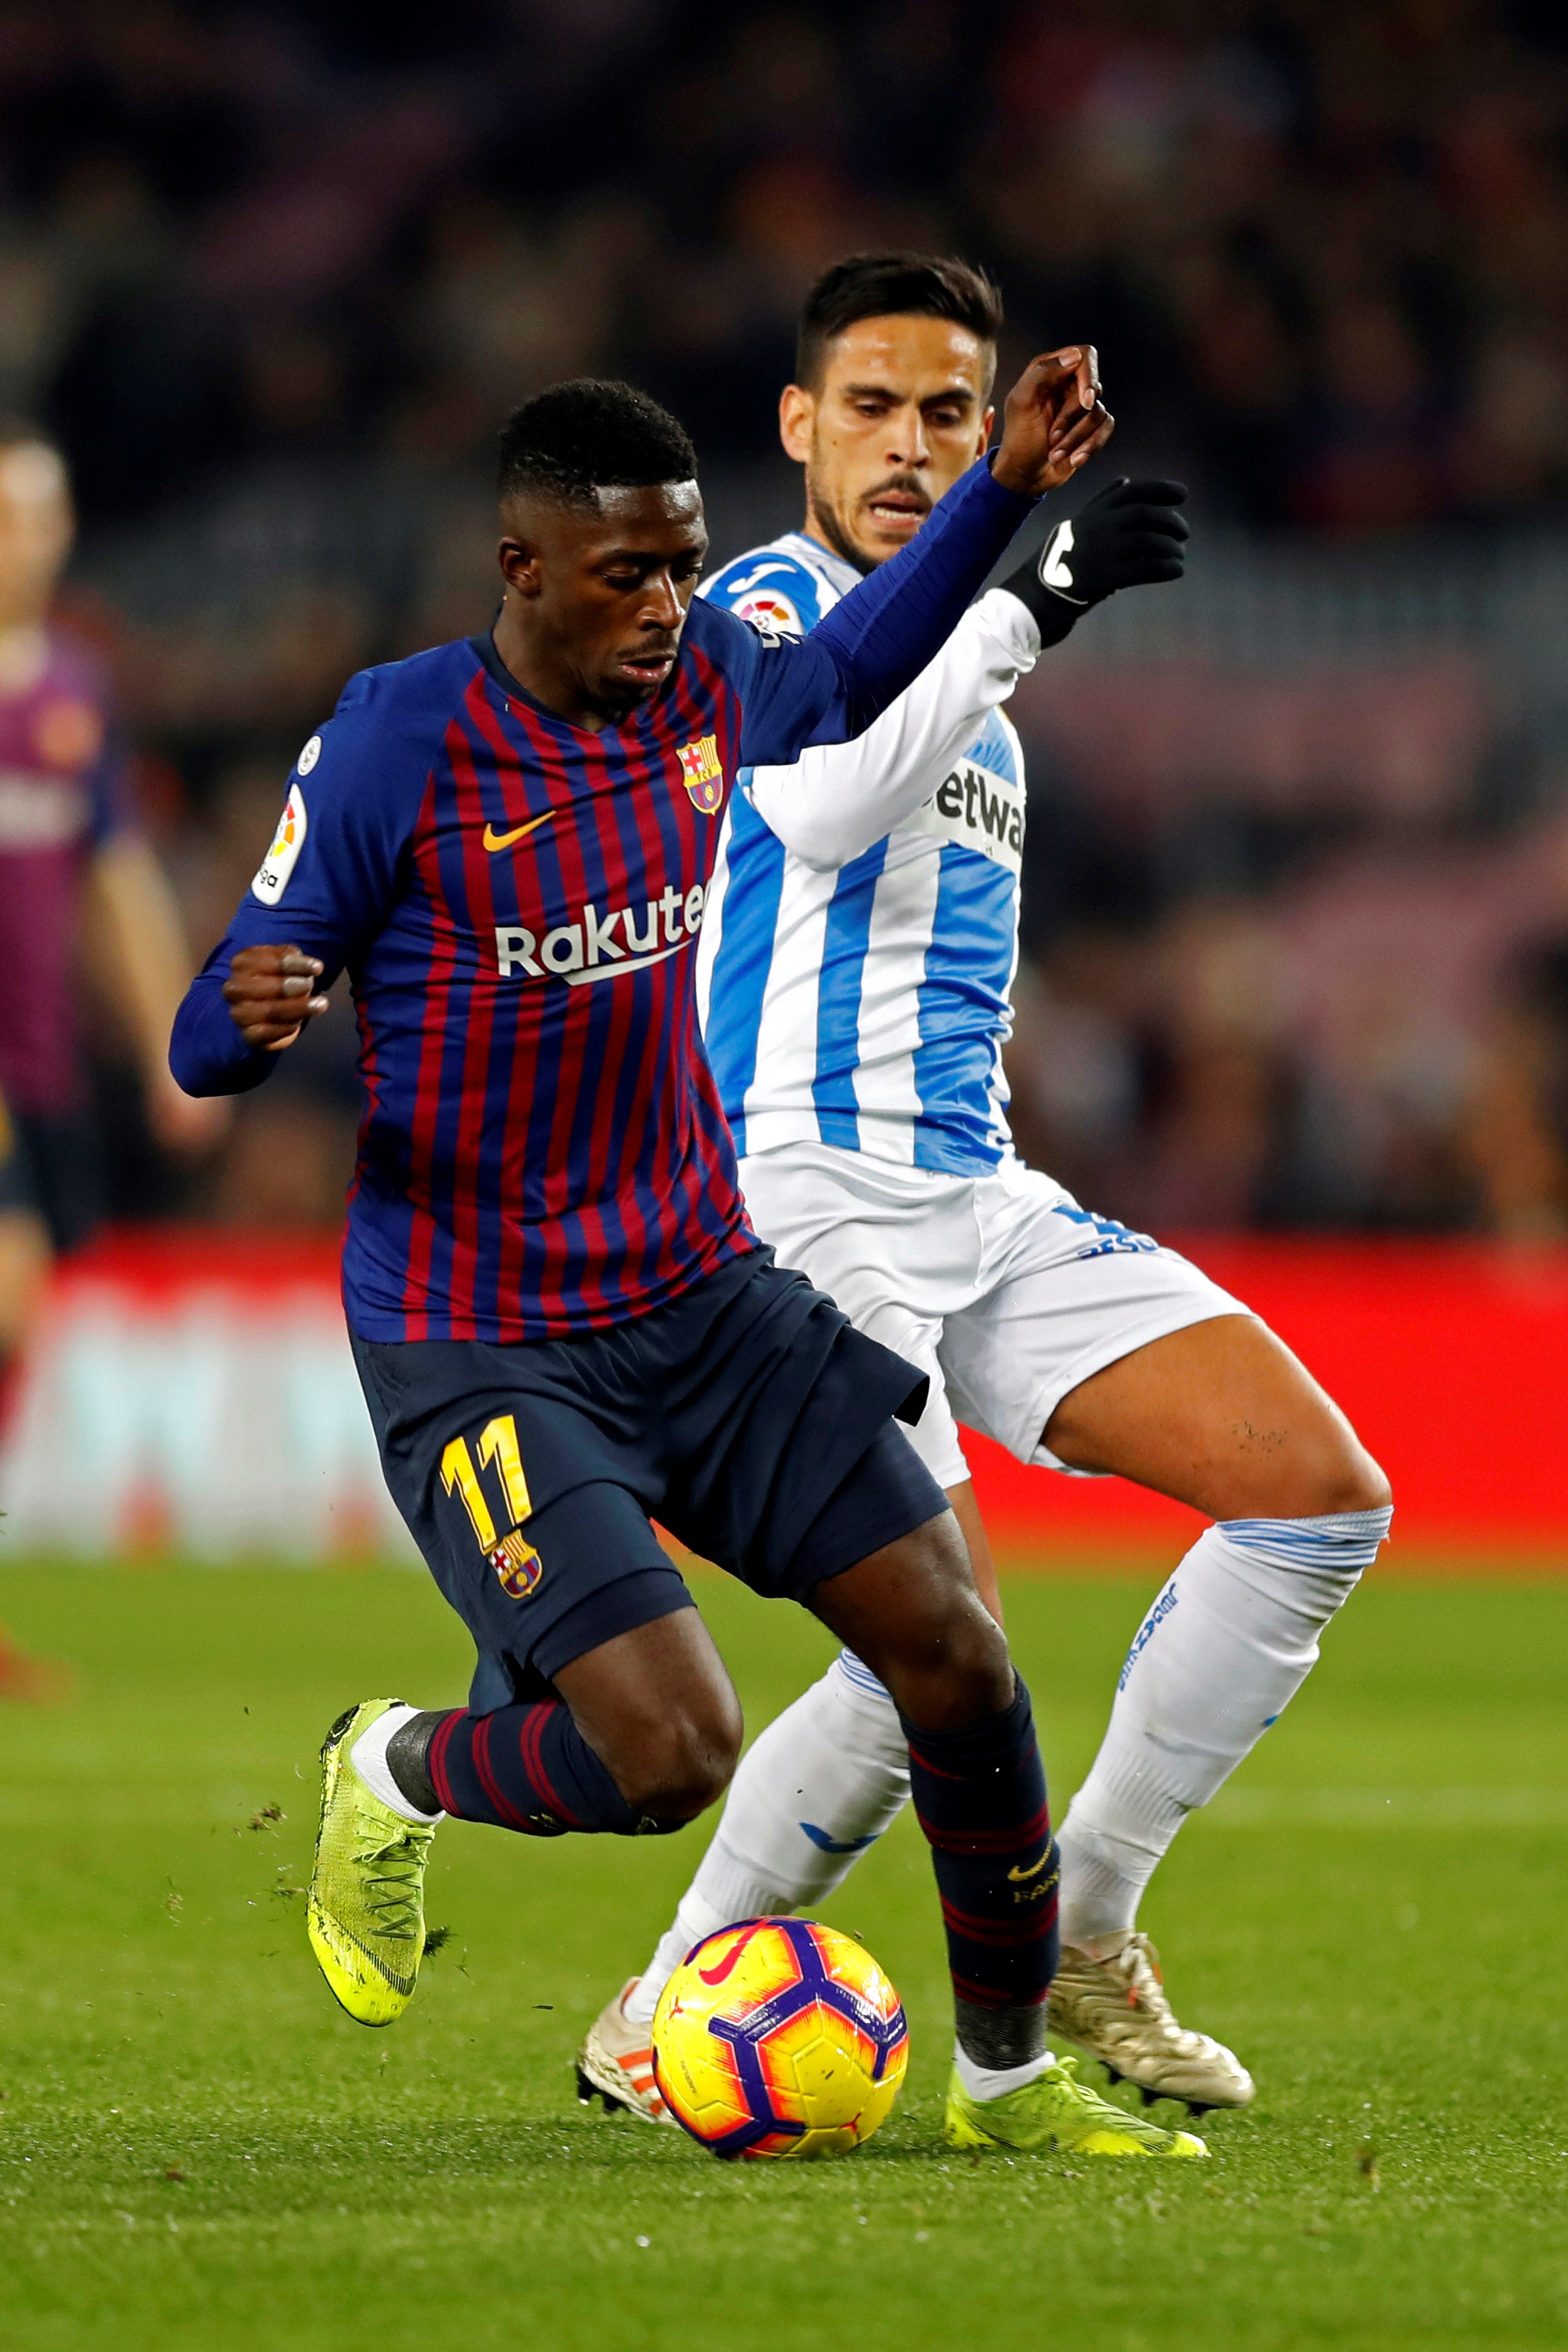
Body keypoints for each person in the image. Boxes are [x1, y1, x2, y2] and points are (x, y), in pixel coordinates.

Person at [171, 368, 1206, 2160]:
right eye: (629, 576)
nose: (669, 606)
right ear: (523, 567)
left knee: (956, 1655)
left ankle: (1006, 2082)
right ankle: (394, 1763)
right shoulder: (399, 740)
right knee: (666, 1758)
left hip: (700, 1290)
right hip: (485, 1336)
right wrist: (245, 1021)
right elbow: (209, 1031)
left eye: (684, 565)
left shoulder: (709, 681)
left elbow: (854, 665)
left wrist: (1005, 493)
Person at [578, 252, 1393, 2126]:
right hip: (798, 1197)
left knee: (1313, 1497)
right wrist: (1026, 602)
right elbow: (813, 800)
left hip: (974, 1192)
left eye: (950, 412)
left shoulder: (977, 689)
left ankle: (1087, 1919)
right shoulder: (760, 604)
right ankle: (662, 2002)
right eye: (871, 406)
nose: (911, 444)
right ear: (798, 426)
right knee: (924, 1650)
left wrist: (1006, 625)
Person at [0, 420, 223, 1423]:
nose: (21, 541)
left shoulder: (73, 693)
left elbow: (116, 881)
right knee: (9, 1278)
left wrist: (171, 1041)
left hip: (44, 1056)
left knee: (30, 1301)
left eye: (36, 517)